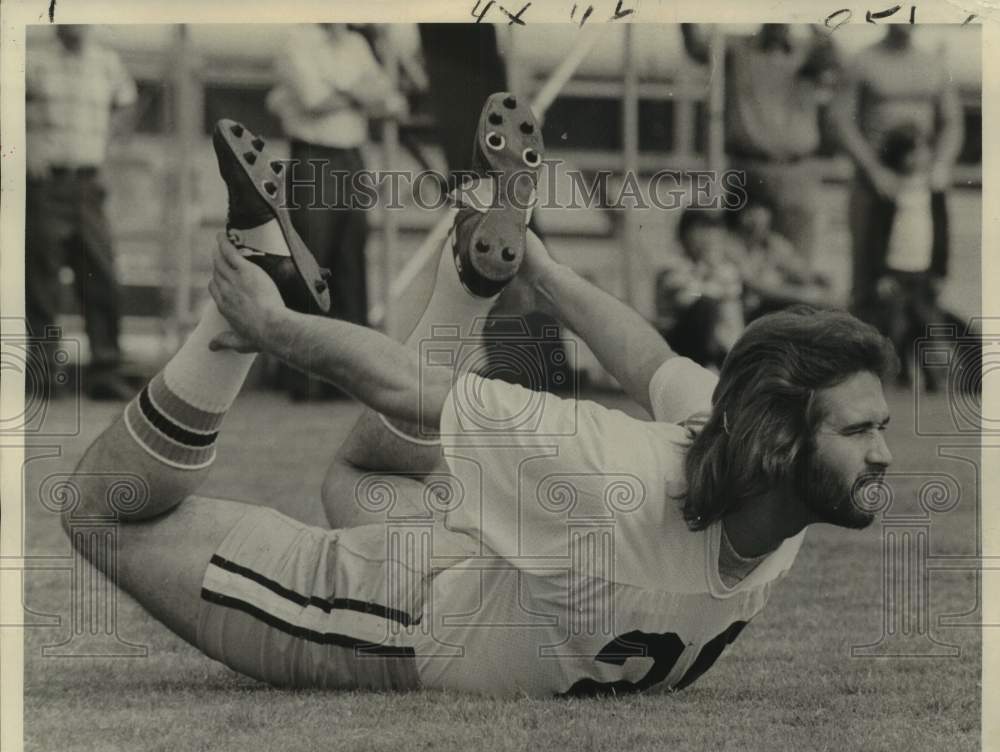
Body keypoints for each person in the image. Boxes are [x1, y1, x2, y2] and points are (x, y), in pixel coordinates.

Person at [61, 97, 896, 698]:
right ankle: (319, 292)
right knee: (129, 506)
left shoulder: (719, 445)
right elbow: (405, 385)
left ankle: (414, 278)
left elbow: (650, 362)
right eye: (862, 431)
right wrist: (268, 328)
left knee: (350, 476)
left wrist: (545, 271)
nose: (884, 454)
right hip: (423, 606)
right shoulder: (633, 474)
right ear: (778, 442)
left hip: (439, 603)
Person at [266, 23, 406, 399]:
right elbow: (312, 98)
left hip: (350, 156)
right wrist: (360, 93)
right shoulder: (296, 39)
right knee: (312, 259)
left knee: (350, 260)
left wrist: (342, 90)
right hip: (314, 154)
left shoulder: (357, 44)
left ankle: (351, 375)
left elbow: (389, 99)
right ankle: (303, 375)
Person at [25, 24, 138, 400]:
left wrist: (109, 153)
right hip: (45, 183)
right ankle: (43, 374)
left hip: (89, 184)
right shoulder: (33, 60)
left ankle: (105, 370)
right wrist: (24, 148)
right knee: (42, 279)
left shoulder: (107, 63)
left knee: (101, 275)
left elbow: (126, 105)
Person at [830, 25, 963, 324]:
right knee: (870, 285)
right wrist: (874, 171)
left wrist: (941, 165)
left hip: (921, 189)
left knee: (924, 287)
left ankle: (914, 366)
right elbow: (841, 121)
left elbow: (952, 122)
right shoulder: (864, 61)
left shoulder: (932, 64)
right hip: (876, 187)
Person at [681, 23, 839, 266]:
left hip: (796, 171)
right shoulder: (737, 47)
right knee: (743, 257)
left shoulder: (809, 50)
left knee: (797, 262)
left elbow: (834, 60)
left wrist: (810, 18)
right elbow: (696, 47)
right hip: (749, 169)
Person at [870, 123, 949, 390]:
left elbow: (942, 234)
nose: (918, 158)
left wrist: (940, 271)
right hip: (896, 270)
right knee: (895, 328)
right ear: (897, 157)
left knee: (930, 328)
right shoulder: (889, 191)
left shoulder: (934, 191)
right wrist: (881, 273)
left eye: (922, 150)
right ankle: (894, 382)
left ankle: (935, 383)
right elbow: (877, 234)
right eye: (911, 152)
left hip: (924, 271)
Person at [725, 189, 836, 322]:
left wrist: (817, 278)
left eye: (762, 211)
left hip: (777, 304)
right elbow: (754, 286)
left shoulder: (773, 242)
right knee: (808, 308)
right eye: (751, 211)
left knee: (828, 305)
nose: (758, 217)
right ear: (740, 216)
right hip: (750, 312)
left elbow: (797, 269)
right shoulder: (730, 246)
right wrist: (801, 295)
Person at [654, 209, 744, 368]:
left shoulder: (724, 268)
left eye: (711, 232)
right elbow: (686, 299)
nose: (706, 239)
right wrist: (712, 278)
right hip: (676, 342)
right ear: (683, 235)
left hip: (717, 342)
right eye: (699, 231)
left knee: (729, 307)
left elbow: (733, 293)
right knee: (707, 305)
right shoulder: (671, 265)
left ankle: (734, 360)